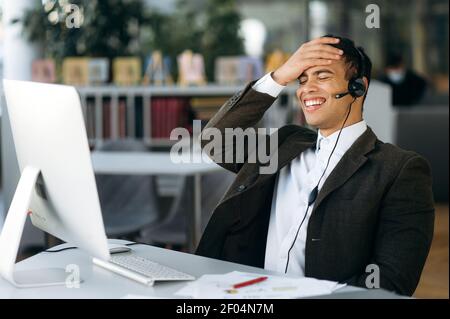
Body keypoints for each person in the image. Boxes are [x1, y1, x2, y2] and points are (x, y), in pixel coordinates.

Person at [195, 35, 435, 297]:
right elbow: (215, 141)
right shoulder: (285, 144)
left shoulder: (399, 169)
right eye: (302, 80)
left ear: (359, 87)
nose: (306, 89)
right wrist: (280, 76)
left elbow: (391, 281)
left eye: (322, 76)